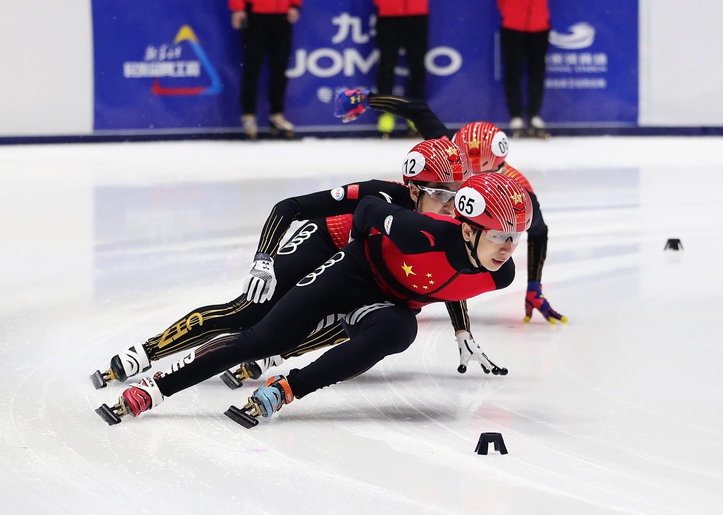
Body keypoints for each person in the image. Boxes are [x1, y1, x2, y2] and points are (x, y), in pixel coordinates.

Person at [94, 172, 533, 427]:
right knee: (258, 338)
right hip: (352, 271)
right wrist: (354, 255)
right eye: (499, 236)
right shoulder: (420, 231)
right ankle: (154, 386)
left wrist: (461, 330)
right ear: (469, 229)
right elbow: (363, 213)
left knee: (402, 329)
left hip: (389, 304)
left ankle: (288, 388)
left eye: (515, 238)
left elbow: (454, 283)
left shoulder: (501, 274)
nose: (508, 248)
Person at [337, 90, 567, 323]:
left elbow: (538, 231)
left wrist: (534, 286)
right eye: (467, 173)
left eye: (485, 175)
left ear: (501, 166)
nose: (474, 183)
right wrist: (367, 98)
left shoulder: (518, 196)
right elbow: (418, 110)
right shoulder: (448, 153)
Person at [230, 0, 301, 140]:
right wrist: (238, 7)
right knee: (252, 68)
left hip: (282, 16)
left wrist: (294, 5)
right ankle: (248, 115)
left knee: (280, 69)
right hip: (255, 15)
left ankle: (277, 114)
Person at [372, 0, 430, 138]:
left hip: (417, 14)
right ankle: (386, 114)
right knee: (386, 66)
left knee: (417, 67)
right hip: (389, 15)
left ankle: (415, 115)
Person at [497, 0, 551, 138]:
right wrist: (508, 12)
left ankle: (534, 115)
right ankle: (516, 116)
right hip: (513, 24)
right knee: (513, 72)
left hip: (539, 24)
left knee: (537, 72)